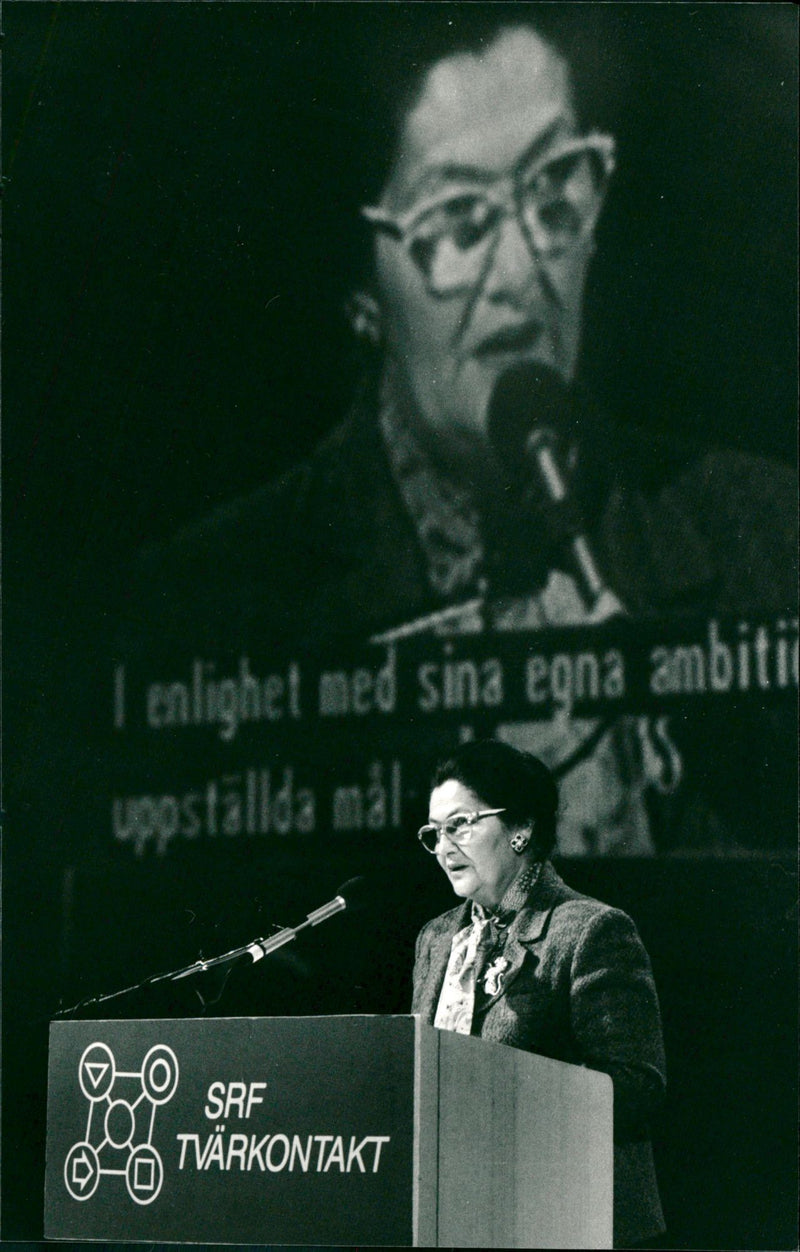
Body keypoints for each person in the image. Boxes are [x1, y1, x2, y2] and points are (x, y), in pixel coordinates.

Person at [123, 12, 796, 858]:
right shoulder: (211, 605)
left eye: (556, 191)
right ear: (361, 289)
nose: (521, 274)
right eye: (460, 223)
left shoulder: (767, 538)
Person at [411, 738, 666, 1247]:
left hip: (564, 1216)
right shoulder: (436, 939)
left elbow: (639, 1089)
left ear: (521, 829)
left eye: (459, 825)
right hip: (458, 1213)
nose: (443, 847)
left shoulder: (591, 930)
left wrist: (509, 1094)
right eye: (433, 832)